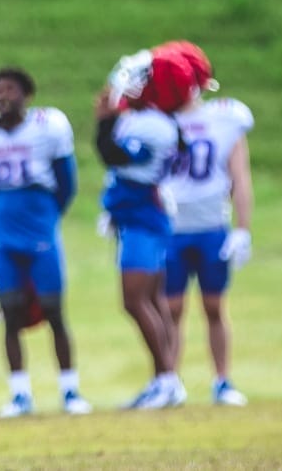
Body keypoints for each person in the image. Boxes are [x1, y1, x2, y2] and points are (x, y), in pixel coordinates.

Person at [0, 67, 92, 417]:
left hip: (40, 229)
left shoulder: (48, 126)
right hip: (3, 234)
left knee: (53, 310)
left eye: (10, 89)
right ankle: (20, 394)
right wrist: (4, 219)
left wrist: (45, 218)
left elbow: (67, 183)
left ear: (26, 94)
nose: (2, 96)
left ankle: (70, 390)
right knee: (10, 311)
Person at [93, 50, 191, 410]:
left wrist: (104, 121)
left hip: (142, 218)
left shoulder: (150, 124)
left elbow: (113, 155)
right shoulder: (160, 121)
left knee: (135, 300)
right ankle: (166, 378)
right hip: (142, 214)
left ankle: (166, 378)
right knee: (152, 300)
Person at [157, 41, 254, 406]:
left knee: (214, 307)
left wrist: (242, 229)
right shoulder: (159, 121)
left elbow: (239, 177)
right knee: (171, 309)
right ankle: (170, 380)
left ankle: (222, 381)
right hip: (170, 228)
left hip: (212, 226)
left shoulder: (225, 117)